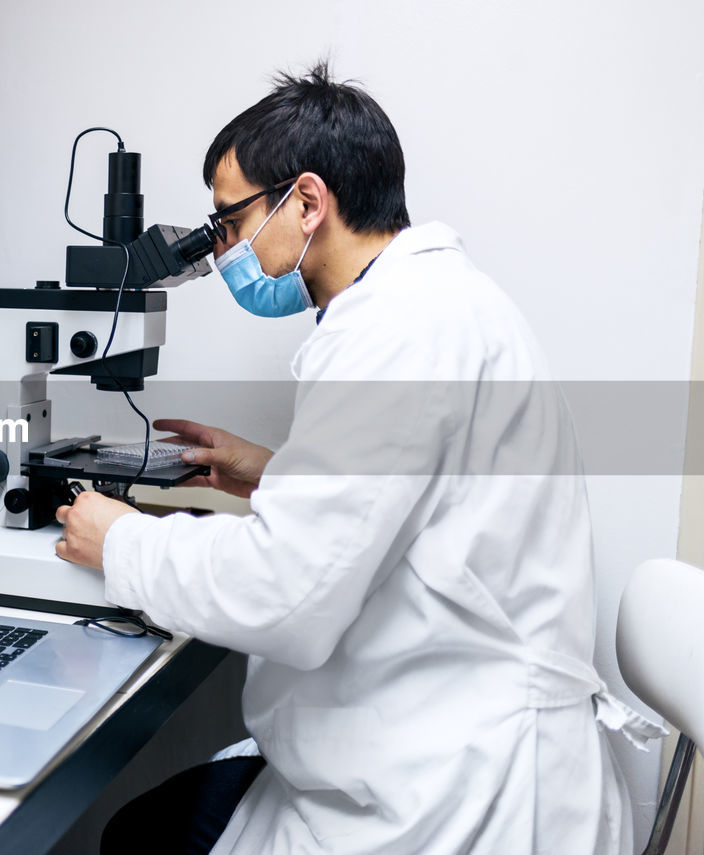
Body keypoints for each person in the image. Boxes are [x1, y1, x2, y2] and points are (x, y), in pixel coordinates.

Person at [55, 62, 663, 854]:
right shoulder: (434, 302)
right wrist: (274, 470)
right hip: (437, 732)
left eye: (231, 224)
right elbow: (425, 503)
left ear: (307, 201)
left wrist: (121, 540)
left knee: (139, 833)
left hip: (450, 789)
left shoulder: (395, 334)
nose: (227, 251)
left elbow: (283, 596)